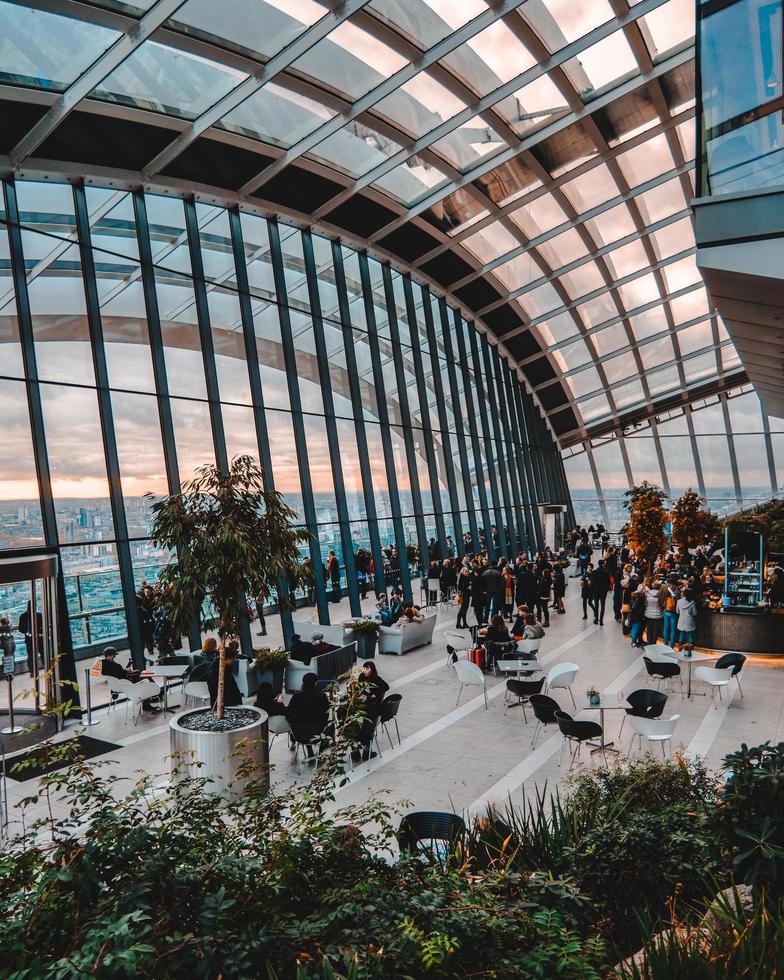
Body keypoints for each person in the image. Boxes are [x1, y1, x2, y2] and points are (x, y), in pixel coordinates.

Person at [100, 646, 160, 713]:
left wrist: (125, 671)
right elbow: (123, 675)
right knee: (146, 676)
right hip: (126, 684)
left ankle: (153, 697)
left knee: (140, 674)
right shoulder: (116, 666)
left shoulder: (103, 665)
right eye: (114, 655)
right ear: (111, 655)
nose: (115, 657)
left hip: (116, 686)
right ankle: (156, 694)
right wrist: (129, 672)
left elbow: (118, 673)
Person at [286, 672, 329, 757]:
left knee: (305, 723)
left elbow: (288, 714)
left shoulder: (297, 696)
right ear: (315, 683)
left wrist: (294, 724)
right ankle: (321, 751)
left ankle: (310, 750)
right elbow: (326, 713)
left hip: (300, 733)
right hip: (318, 731)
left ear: (303, 682)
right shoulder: (322, 696)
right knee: (330, 725)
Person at [206, 643, 243, 708]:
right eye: (232, 659)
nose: (233, 661)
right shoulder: (216, 673)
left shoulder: (222, 669)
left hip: (227, 704)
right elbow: (218, 692)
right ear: (226, 659)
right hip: (225, 705)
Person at [17, 600, 43, 676]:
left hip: (29, 639)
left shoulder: (23, 616)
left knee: (31, 655)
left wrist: (27, 632)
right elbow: (43, 627)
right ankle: (48, 668)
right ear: (35, 606)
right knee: (43, 653)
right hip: (39, 638)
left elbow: (20, 629)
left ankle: (32, 672)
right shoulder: (39, 615)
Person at [590, 559, 611, 626]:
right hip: (603, 591)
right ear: (602, 564)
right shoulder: (606, 572)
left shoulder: (594, 572)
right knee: (602, 606)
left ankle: (596, 619)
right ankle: (601, 621)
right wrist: (607, 589)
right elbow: (608, 582)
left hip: (596, 591)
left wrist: (592, 590)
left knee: (596, 605)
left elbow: (592, 582)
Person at [643, 578, 664, 645]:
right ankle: (653, 644)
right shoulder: (661, 595)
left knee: (649, 630)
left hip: (648, 614)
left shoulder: (648, 594)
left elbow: (645, 604)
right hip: (658, 615)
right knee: (655, 631)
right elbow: (662, 604)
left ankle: (649, 643)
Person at [661, 578, 679, 648]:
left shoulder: (664, 587)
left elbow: (660, 597)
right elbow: (677, 598)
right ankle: (671, 646)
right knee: (673, 630)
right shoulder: (676, 588)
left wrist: (662, 605)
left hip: (666, 610)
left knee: (665, 628)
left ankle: (665, 644)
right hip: (673, 611)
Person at [455, 565, 471, 629]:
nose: (466, 573)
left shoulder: (464, 577)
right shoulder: (462, 577)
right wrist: (468, 587)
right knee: (463, 609)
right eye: (465, 571)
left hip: (466, 594)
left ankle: (464, 623)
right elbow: (460, 587)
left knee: (464, 609)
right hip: (464, 595)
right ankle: (458, 623)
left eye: (467, 571)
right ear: (462, 571)